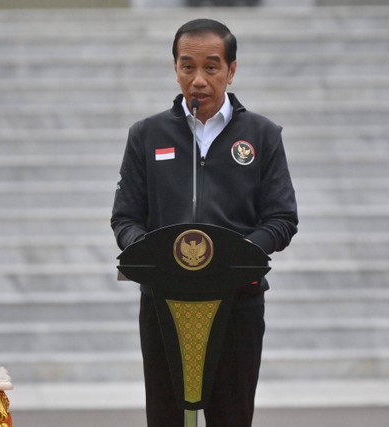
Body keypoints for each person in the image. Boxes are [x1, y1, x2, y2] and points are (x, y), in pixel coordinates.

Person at [110, 18, 298, 427]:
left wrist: (243, 254)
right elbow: (125, 217)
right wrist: (150, 252)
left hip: (238, 303)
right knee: (166, 417)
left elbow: (282, 218)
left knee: (231, 416)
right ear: (175, 67)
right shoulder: (146, 135)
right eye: (186, 66)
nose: (198, 80)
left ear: (231, 70)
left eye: (211, 67)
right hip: (164, 303)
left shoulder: (262, 135)